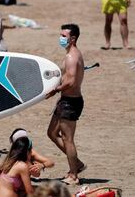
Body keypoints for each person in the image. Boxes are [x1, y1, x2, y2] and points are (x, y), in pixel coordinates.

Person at [45, 24, 86, 185]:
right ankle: (78, 164)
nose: (61, 38)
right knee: (52, 133)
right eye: (60, 34)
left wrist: (55, 90)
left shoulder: (71, 56)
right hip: (65, 101)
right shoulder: (72, 54)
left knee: (68, 139)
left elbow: (71, 81)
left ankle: (74, 175)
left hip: (70, 102)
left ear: (73, 38)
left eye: (64, 35)